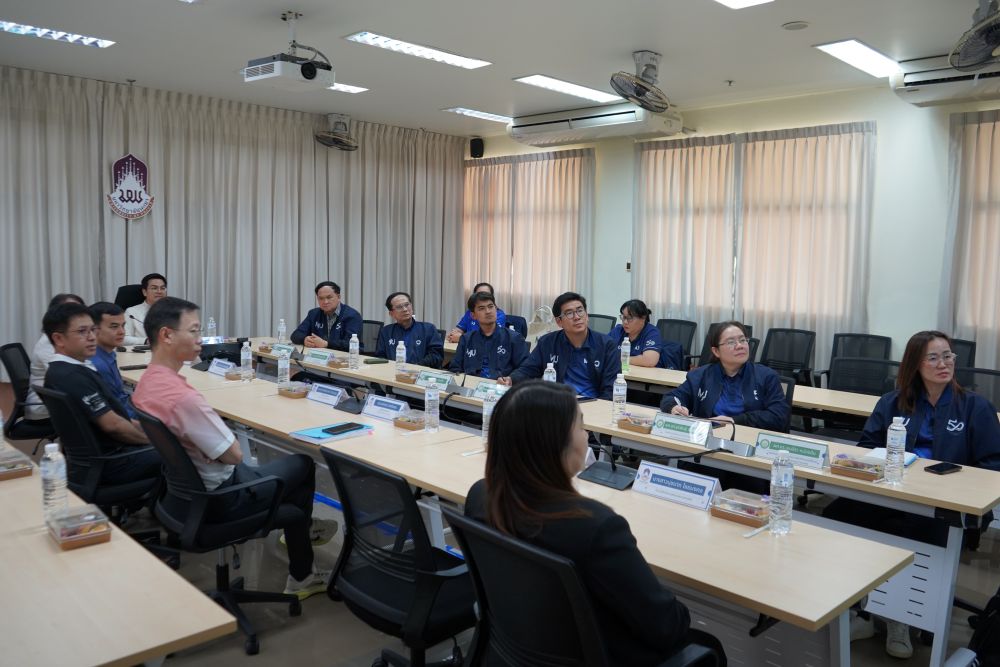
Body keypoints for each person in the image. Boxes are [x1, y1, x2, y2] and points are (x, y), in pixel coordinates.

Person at [464, 381, 693, 665]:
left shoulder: (481, 495)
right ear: (555, 443)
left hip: (515, 648)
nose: (586, 436)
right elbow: (667, 627)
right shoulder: (596, 527)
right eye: (581, 427)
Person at [132, 297, 336, 599]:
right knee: (302, 466)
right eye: (194, 330)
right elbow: (234, 455)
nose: (200, 339)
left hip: (180, 497)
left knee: (292, 496)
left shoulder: (148, 382)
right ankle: (301, 569)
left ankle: (300, 535)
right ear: (166, 335)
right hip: (222, 498)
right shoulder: (183, 398)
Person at [826, 330, 1000, 659]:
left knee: (914, 531)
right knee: (836, 515)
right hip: (892, 493)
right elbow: (867, 447)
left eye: (948, 356)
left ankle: (900, 618)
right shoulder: (892, 402)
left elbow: (993, 465)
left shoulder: (975, 407)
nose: (943, 363)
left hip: (945, 504)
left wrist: (952, 480)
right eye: (933, 358)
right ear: (914, 364)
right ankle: (860, 609)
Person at [41, 302, 160, 487]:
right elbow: (114, 425)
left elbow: (118, 418)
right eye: (82, 332)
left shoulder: (66, 369)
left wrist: (153, 432)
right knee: (185, 455)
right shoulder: (72, 376)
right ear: (59, 339)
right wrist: (155, 442)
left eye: (92, 330)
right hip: (113, 463)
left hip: (99, 460)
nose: (91, 337)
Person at [661, 321, 788, 432]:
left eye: (743, 340)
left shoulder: (766, 376)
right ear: (716, 351)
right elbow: (671, 397)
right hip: (709, 438)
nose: (740, 346)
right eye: (731, 342)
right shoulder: (700, 375)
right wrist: (674, 407)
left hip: (749, 440)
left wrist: (735, 421)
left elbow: (779, 416)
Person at [510, 292, 620, 400]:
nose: (577, 317)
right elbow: (528, 370)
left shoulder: (606, 345)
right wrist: (511, 379)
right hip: (559, 403)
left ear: (587, 315)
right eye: (569, 313)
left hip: (594, 403)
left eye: (580, 311)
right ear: (559, 322)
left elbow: (610, 389)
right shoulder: (548, 342)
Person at [26, 293, 86, 420]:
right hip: (46, 406)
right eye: (69, 311)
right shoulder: (47, 344)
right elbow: (69, 379)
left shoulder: (75, 338)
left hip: (67, 398)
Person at [448, 291, 528, 384]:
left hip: (501, 387)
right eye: (481, 308)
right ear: (473, 315)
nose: (488, 311)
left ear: (496, 309)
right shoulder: (466, 339)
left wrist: (511, 379)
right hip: (470, 386)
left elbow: (526, 368)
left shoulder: (514, 338)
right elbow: (455, 368)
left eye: (491, 306)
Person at [88, 301, 136, 419]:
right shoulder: (99, 365)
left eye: (123, 326)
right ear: (94, 329)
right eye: (114, 327)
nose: (122, 332)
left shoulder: (108, 354)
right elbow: (117, 411)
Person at [608, 299, 683, 370]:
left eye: (629, 318)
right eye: (623, 317)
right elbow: (604, 350)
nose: (625, 322)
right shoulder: (618, 330)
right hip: (621, 373)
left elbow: (650, 360)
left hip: (645, 376)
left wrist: (621, 359)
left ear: (643, 318)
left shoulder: (652, 332)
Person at [374, 292, 444, 368]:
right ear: (391, 314)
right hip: (392, 371)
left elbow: (436, 355)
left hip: (420, 371)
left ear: (411, 307)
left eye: (407, 305)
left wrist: (416, 367)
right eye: (399, 307)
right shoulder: (386, 331)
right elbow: (380, 356)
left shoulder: (428, 329)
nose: (405, 309)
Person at [289, 281, 363, 351]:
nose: (325, 302)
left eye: (329, 297)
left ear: (338, 297)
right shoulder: (313, 314)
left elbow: (351, 344)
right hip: (319, 355)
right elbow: (295, 335)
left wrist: (326, 344)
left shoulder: (352, 316)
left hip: (344, 357)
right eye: (321, 298)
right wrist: (304, 339)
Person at [123, 273, 167, 345]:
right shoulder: (131, 312)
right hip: (143, 351)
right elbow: (124, 338)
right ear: (144, 292)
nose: (159, 291)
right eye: (154, 288)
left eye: (162, 288)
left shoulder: (173, 311)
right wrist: (146, 341)